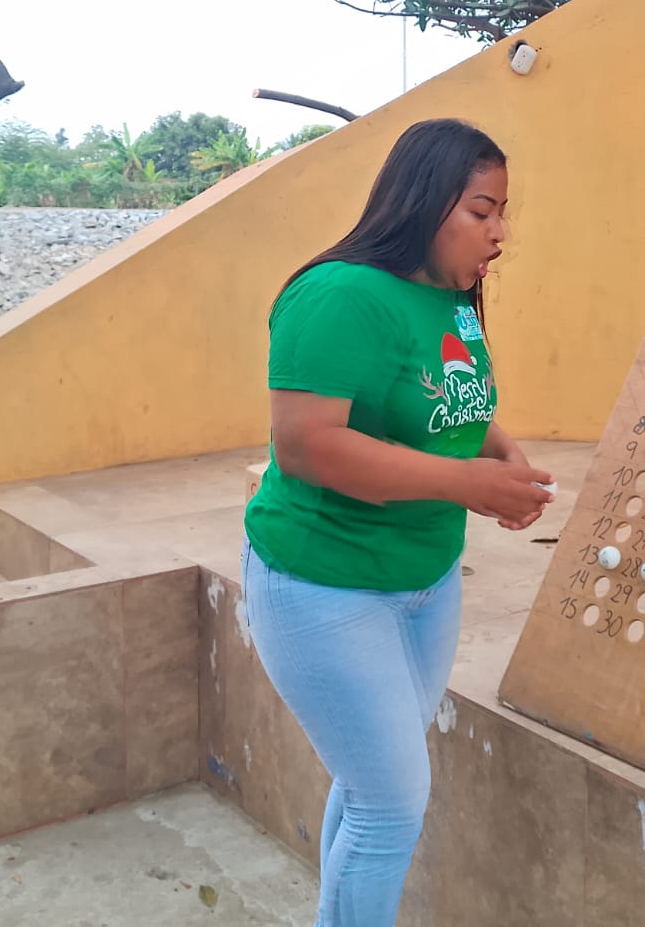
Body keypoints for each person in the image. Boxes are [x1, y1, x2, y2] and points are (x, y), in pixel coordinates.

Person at [242, 117, 555, 927]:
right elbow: (309, 445)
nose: (499, 233)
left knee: (373, 787)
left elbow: (454, 399)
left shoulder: (451, 300)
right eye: (482, 211)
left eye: (503, 213)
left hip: (425, 580)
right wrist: (470, 485)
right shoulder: (338, 296)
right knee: (390, 804)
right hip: (324, 585)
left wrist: (502, 453)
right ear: (423, 200)